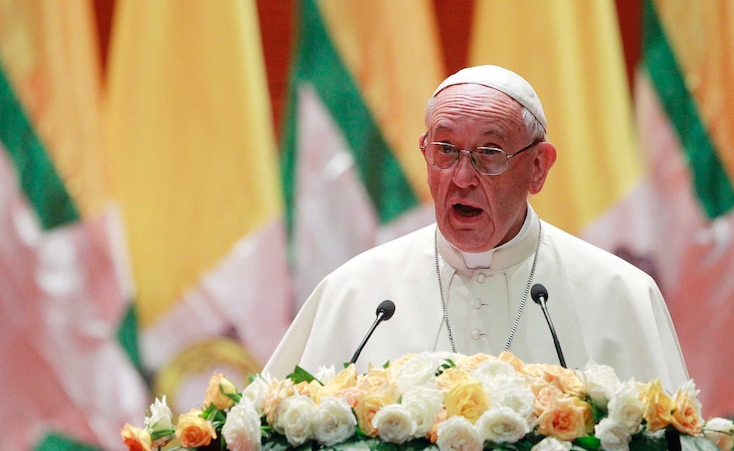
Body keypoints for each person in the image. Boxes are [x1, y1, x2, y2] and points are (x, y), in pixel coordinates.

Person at [264, 64, 689, 392]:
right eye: (445, 150)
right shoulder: (356, 295)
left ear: (538, 167)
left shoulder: (619, 294)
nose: (462, 177)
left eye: (489, 152)